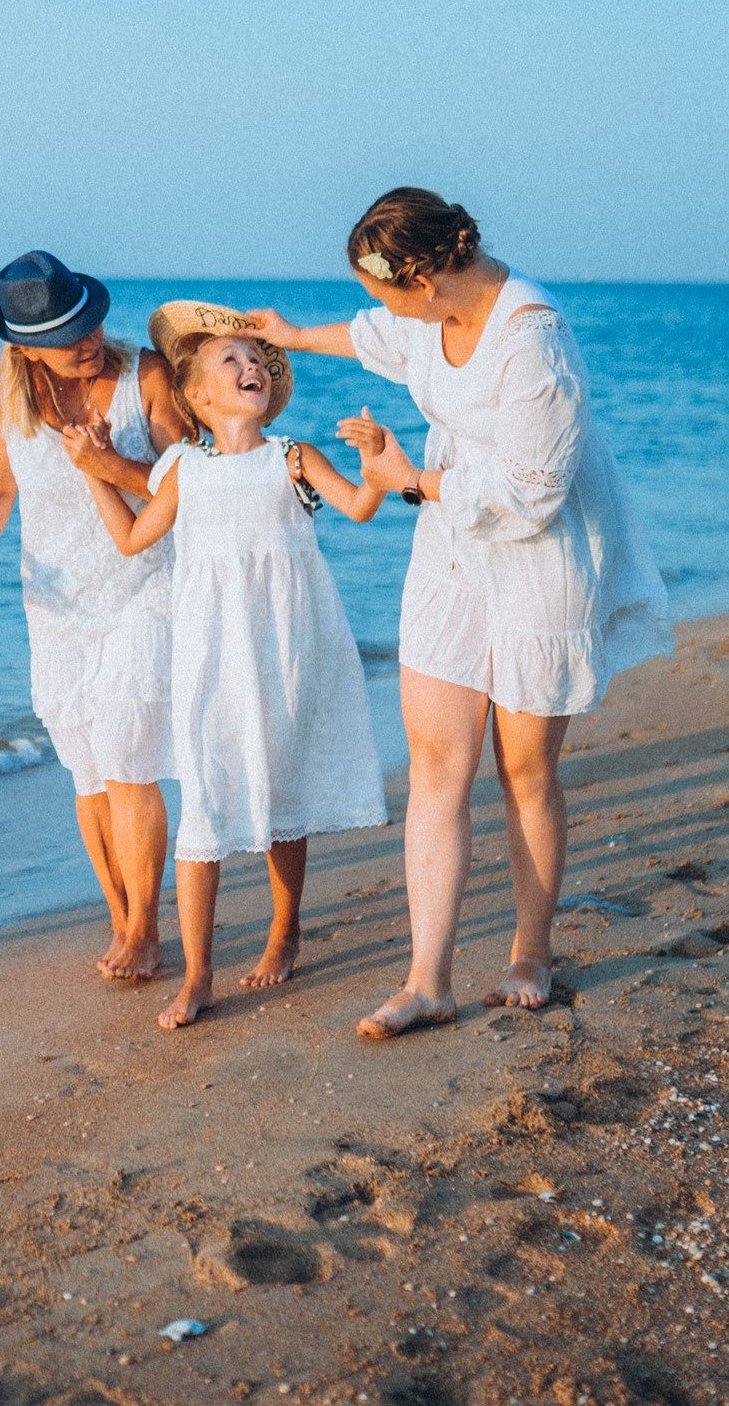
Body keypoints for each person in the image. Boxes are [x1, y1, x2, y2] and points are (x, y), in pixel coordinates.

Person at [242, 190, 671, 1039]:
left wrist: (409, 479)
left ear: (429, 277)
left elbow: (532, 494)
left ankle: (530, 951)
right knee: (437, 764)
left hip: (537, 553)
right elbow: (380, 334)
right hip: (451, 544)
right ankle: (427, 980)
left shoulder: (534, 343)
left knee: (525, 771)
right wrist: (292, 336)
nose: (382, 310)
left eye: (388, 292)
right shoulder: (429, 309)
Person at [77, 305, 388, 1028]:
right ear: (197, 396)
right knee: (204, 801)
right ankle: (198, 974)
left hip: (283, 648)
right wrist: (94, 473)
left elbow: (359, 507)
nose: (252, 367)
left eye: (258, 359)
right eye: (232, 360)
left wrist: (376, 464)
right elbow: (132, 539)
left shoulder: (293, 458)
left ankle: (285, 928)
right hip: (208, 654)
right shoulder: (182, 467)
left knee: (280, 789)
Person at [0, 251, 196, 981]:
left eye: (90, 323)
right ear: (26, 348)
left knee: (127, 757)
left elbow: (189, 482)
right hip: (55, 605)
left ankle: (147, 929)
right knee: (88, 772)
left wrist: (109, 466)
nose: (89, 341)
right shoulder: (5, 399)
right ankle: (121, 918)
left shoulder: (144, 378)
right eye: (68, 337)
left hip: (144, 588)